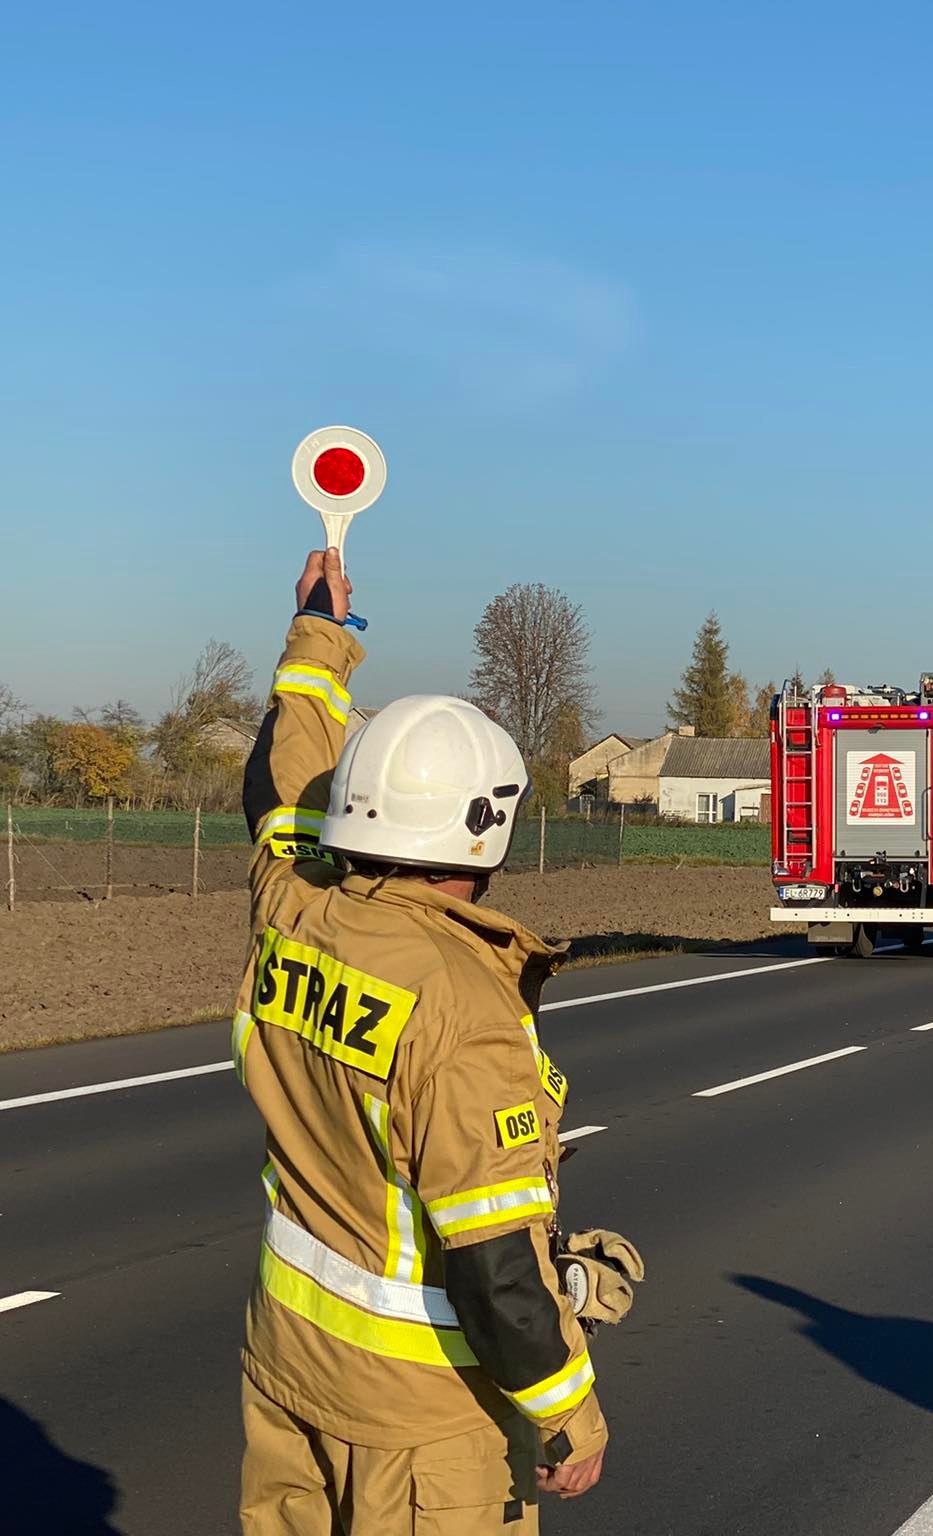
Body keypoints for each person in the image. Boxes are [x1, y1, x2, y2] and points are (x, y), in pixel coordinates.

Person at [236, 550, 638, 1534]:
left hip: (287, 1369)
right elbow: (495, 1260)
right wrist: (568, 1415)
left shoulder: (292, 902)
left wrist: (317, 633)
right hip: (418, 1421)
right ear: (485, 832)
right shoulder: (460, 1009)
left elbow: (283, 774)